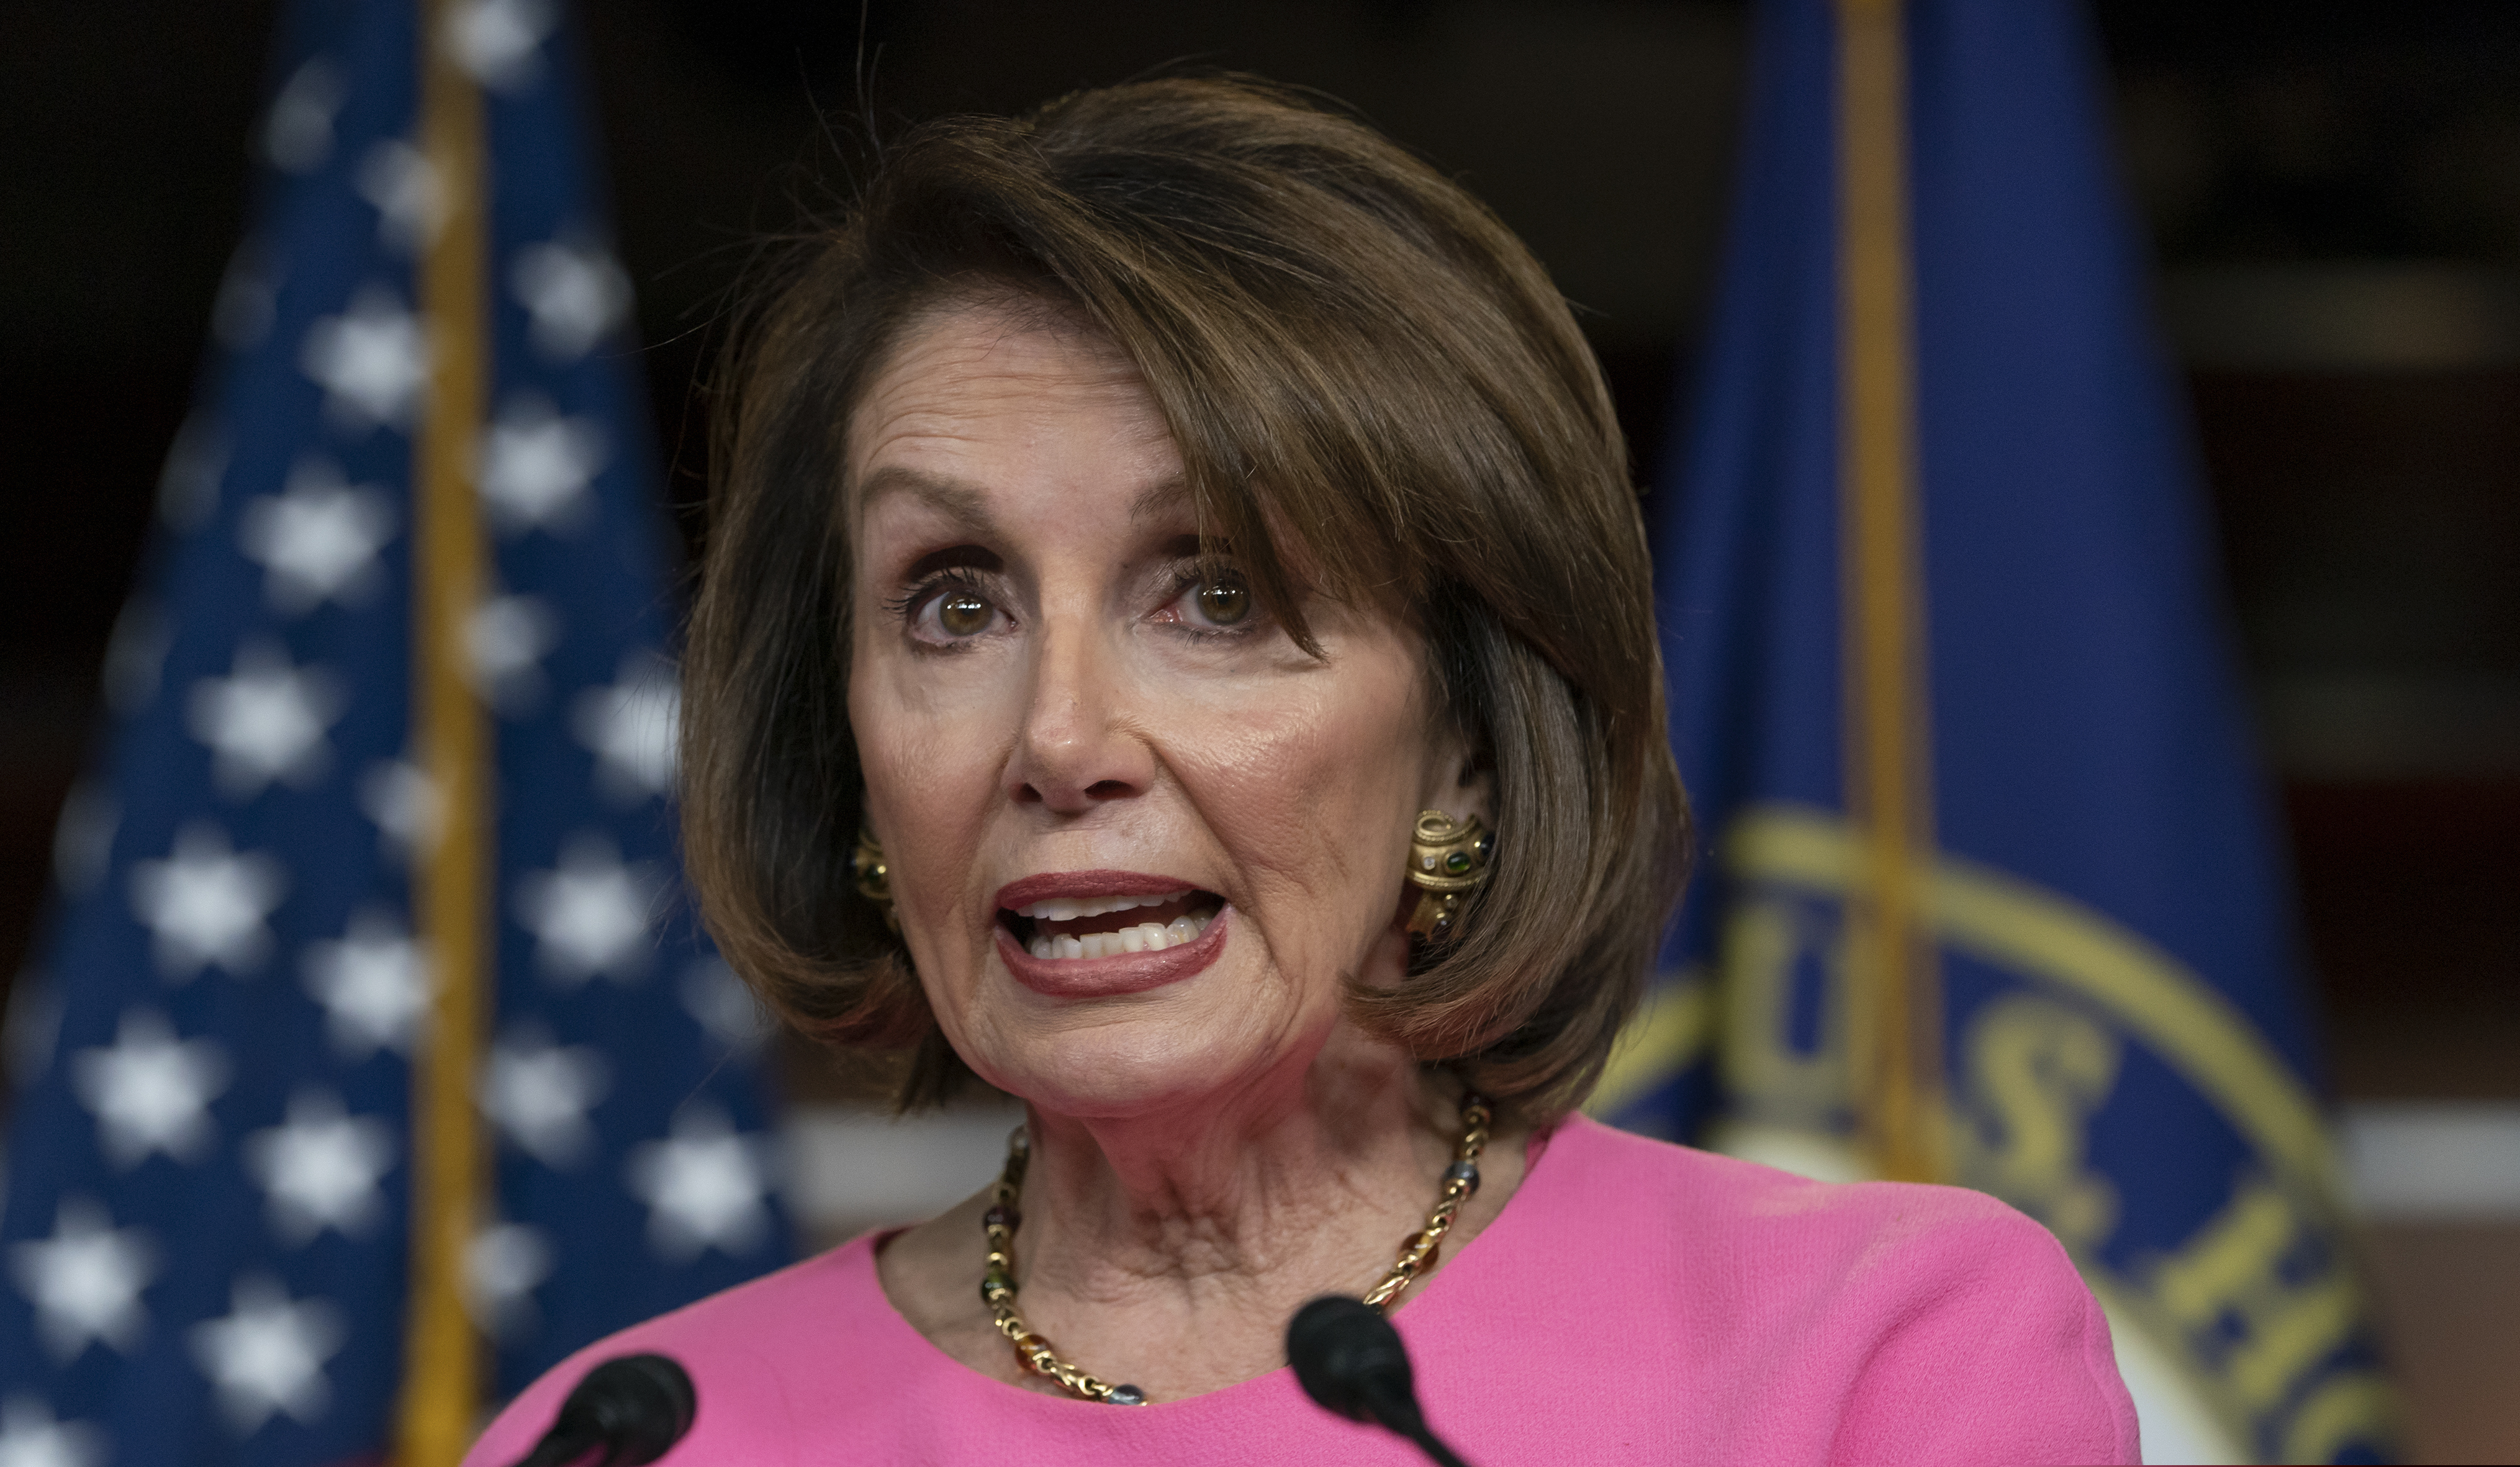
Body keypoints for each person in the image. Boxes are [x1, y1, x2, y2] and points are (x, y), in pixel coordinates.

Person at [465, 76, 2138, 1466]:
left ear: (1470, 739)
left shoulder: (1875, 1358)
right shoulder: (635, 1440)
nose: (1058, 741)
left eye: (1218, 595)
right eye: (954, 604)